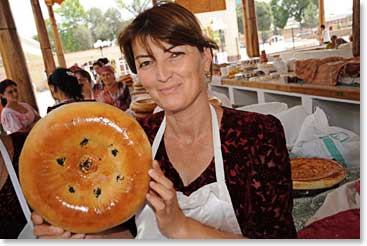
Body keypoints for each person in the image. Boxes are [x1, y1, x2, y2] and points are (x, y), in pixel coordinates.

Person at [31, 2, 296, 239]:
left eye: (175, 55)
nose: (162, 74)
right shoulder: (133, 139)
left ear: (205, 58)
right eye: (146, 62)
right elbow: (131, 233)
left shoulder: (258, 134)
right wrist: (85, 234)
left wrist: (181, 227)